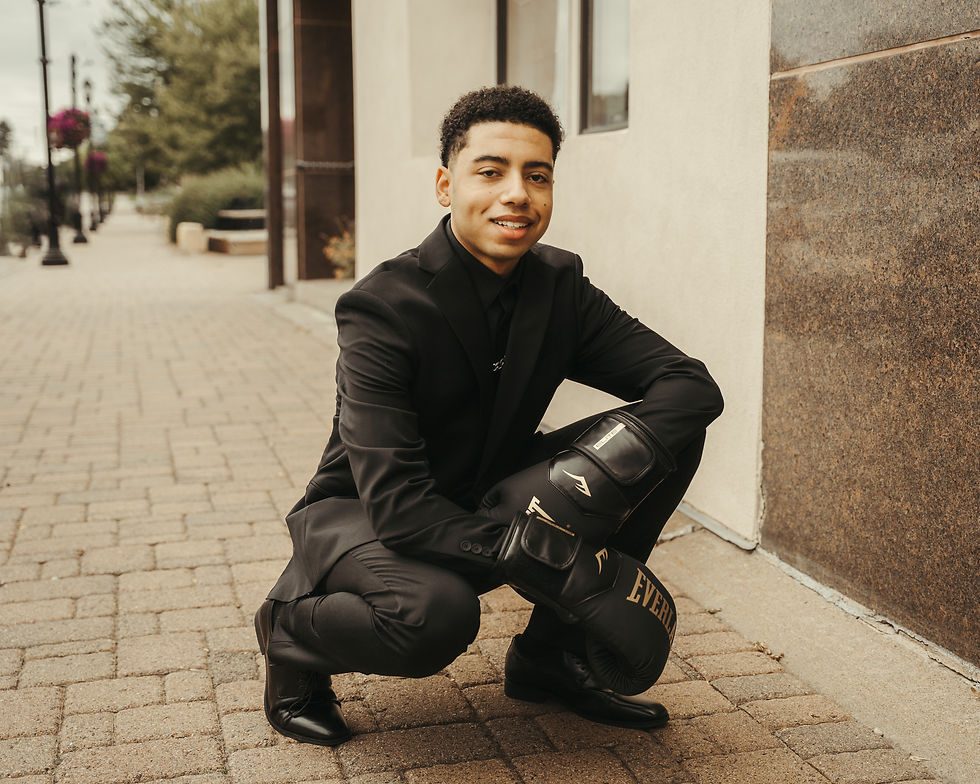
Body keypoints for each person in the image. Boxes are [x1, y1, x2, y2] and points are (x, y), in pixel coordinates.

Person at [255, 85, 723, 746]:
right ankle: (288, 639)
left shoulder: (560, 286)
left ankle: (550, 660)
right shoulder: (382, 307)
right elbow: (398, 506)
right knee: (434, 618)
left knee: (667, 441)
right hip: (368, 516)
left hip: (494, 497)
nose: (517, 194)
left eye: (537, 176)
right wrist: (556, 556)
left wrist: (584, 490)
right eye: (491, 171)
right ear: (446, 186)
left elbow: (688, 387)